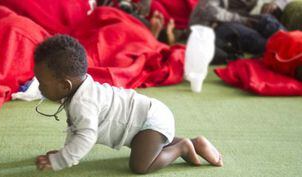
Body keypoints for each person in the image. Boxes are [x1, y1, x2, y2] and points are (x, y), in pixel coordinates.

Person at [33, 35, 223, 174]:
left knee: (140, 166)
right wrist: (66, 152)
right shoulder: (79, 92)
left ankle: (181, 146)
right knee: (146, 145)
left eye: (42, 83)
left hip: (149, 122)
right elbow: (75, 128)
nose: (40, 87)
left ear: (65, 85)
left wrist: (61, 159)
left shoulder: (84, 103)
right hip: (145, 122)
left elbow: (86, 136)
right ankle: (196, 144)